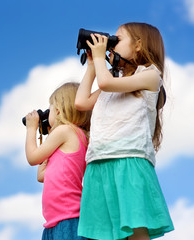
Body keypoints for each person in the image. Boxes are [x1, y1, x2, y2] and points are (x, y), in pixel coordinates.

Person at [75, 22, 174, 240]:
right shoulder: (111, 82)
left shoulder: (150, 75)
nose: (111, 43)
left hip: (129, 159)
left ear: (139, 44)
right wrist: (92, 64)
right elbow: (81, 102)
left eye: (117, 39)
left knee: (136, 230)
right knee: (105, 234)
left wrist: (101, 59)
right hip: (99, 161)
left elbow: (106, 82)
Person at [25, 82, 91, 240]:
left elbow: (32, 158)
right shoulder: (78, 136)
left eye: (50, 109)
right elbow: (41, 175)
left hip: (67, 220)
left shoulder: (65, 131)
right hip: (57, 221)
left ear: (58, 110)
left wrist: (31, 129)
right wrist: (47, 139)